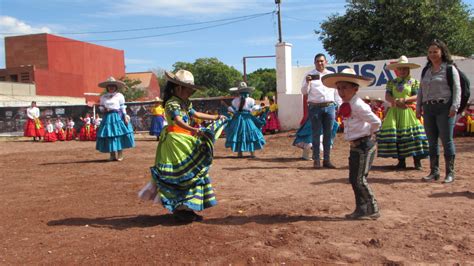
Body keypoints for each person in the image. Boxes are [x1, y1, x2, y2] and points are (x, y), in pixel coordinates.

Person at [138, 70, 227, 222]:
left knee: (191, 174)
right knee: (181, 175)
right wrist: (194, 129)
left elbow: (196, 114)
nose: (190, 93)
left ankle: (187, 208)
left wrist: (217, 117)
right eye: (189, 90)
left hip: (185, 139)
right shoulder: (172, 103)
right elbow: (178, 120)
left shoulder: (184, 102)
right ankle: (181, 209)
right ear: (178, 88)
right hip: (175, 142)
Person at [322, 68, 381, 220]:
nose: (341, 91)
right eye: (339, 88)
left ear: (355, 88)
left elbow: (376, 122)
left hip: (364, 144)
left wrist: (369, 134)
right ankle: (361, 209)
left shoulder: (359, 105)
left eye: (345, 87)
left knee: (359, 179)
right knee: (354, 179)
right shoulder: (348, 103)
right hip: (356, 145)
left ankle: (372, 207)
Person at [416, 40, 461, 183]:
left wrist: (455, 106)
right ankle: (434, 172)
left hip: (444, 107)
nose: (432, 54)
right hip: (428, 108)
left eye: (435, 51)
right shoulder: (426, 70)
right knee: (431, 142)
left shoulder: (449, 69)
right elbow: (421, 90)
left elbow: (456, 88)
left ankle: (450, 173)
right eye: (430, 52)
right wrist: (418, 107)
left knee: (447, 141)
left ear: (442, 52)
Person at [377, 55, 429, 170]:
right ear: (396, 71)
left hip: (408, 110)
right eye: (400, 69)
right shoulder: (391, 82)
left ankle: (417, 161)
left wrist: (405, 100)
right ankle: (401, 162)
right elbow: (387, 95)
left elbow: (417, 95)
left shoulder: (414, 82)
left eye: (404, 69)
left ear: (408, 69)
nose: (402, 71)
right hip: (395, 111)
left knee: (414, 135)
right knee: (398, 135)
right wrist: (394, 101)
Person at [301, 53, 342, 168]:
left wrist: (339, 105)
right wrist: (308, 82)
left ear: (326, 62)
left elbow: (336, 92)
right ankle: (316, 160)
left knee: (328, 135)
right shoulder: (309, 75)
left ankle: (327, 160)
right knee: (315, 134)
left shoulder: (331, 75)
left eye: (322, 61)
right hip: (315, 107)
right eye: (317, 61)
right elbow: (304, 92)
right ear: (314, 63)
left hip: (330, 107)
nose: (320, 63)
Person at [96, 77, 135, 161]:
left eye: (113, 86)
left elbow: (122, 106)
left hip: (117, 117)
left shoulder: (119, 95)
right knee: (110, 135)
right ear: (107, 87)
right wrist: (104, 109)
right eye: (109, 86)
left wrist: (125, 115)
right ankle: (112, 155)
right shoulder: (103, 97)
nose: (111, 88)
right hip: (107, 118)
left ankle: (120, 154)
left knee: (118, 134)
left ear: (115, 87)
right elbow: (101, 107)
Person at [224, 81, 267, 158]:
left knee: (238, 134)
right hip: (247, 119)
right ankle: (252, 153)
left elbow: (232, 110)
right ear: (247, 90)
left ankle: (239, 153)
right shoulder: (251, 100)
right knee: (251, 134)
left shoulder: (234, 101)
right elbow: (254, 108)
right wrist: (260, 108)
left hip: (238, 119)